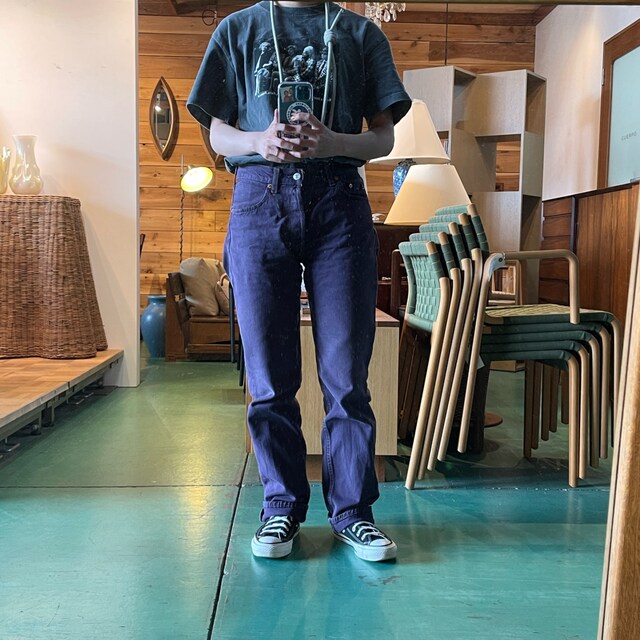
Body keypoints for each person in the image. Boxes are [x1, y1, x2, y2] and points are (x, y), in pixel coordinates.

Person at [187, 0, 411, 562]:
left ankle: (353, 513)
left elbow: (384, 138)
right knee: (268, 375)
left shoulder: (361, 33)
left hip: (341, 203)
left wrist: (334, 142)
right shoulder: (236, 30)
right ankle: (281, 506)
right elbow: (217, 132)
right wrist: (258, 142)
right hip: (258, 199)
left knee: (347, 373)